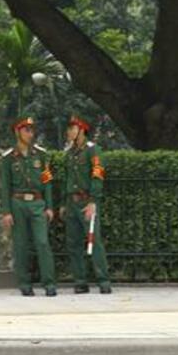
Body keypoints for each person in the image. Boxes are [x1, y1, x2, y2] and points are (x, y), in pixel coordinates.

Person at [0, 116, 57, 296]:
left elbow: (47, 181)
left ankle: (49, 283)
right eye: (26, 130)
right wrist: (6, 211)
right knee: (21, 244)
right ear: (18, 132)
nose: (30, 134)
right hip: (18, 203)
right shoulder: (9, 157)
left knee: (42, 242)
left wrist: (49, 206)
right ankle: (24, 283)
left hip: (38, 203)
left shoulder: (41, 154)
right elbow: (5, 185)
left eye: (32, 130)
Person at [58, 114, 111, 294]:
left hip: (86, 202)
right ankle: (80, 281)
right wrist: (64, 203)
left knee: (94, 240)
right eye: (69, 128)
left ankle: (103, 280)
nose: (69, 131)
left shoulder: (92, 150)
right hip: (71, 203)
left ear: (81, 130)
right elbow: (66, 178)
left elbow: (97, 175)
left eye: (72, 128)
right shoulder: (69, 153)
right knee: (73, 243)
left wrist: (93, 201)